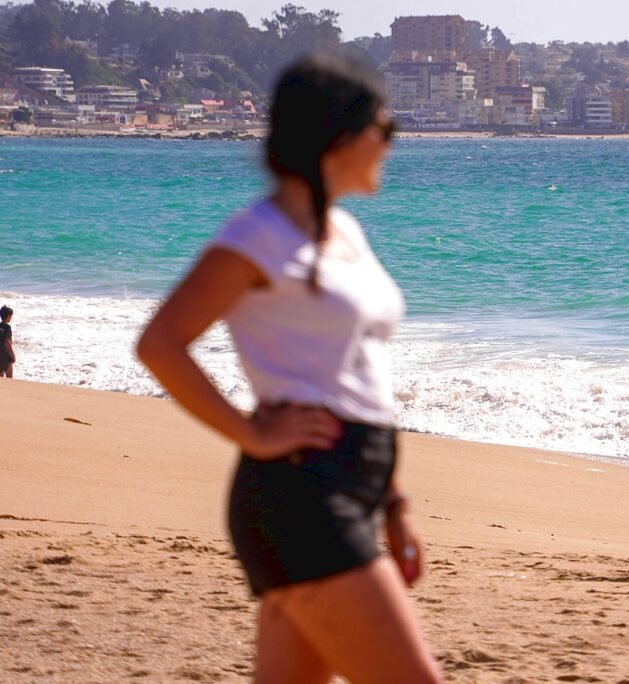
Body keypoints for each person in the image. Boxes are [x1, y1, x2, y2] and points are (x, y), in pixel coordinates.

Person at [136, 54, 444, 684]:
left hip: (351, 485)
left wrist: (392, 501)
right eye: (385, 131)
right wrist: (250, 434)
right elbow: (161, 343)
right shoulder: (260, 237)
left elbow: (357, 374)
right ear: (339, 136)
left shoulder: (345, 232)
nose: (391, 146)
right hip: (302, 495)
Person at [0, 305, 14, 378]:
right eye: (11, 316)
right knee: (9, 378)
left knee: (1, 380)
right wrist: (13, 355)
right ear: (8, 316)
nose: (11, 318)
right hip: (6, 355)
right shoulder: (8, 327)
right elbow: (7, 341)